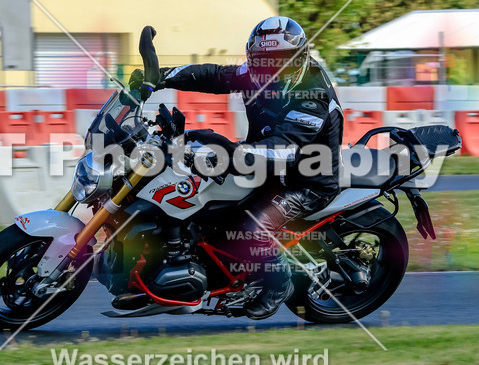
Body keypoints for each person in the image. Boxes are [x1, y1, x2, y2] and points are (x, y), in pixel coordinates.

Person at [132, 16, 344, 319]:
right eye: (262, 61)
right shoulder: (256, 74)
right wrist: (162, 76)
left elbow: (284, 149)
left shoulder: (313, 97)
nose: (270, 69)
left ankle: (277, 285)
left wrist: (230, 151)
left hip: (306, 183)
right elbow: (215, 76)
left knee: (253, 231)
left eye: (279, 61)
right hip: (262, 167)